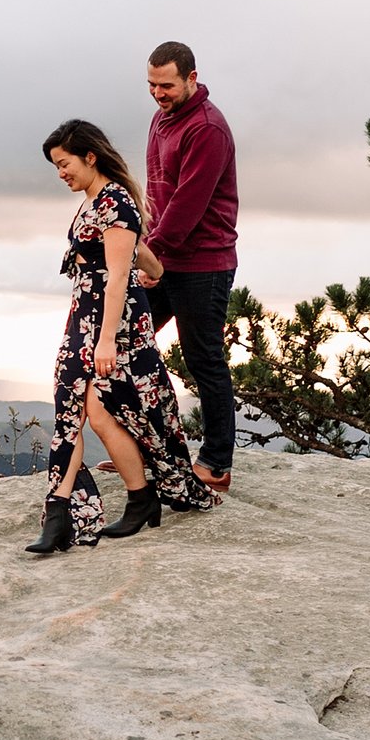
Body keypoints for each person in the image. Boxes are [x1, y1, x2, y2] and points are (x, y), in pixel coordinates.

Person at [26, 119, 223, 556]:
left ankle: (139, 498)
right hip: (84, 321)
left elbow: (117, 277)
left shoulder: (115, 201)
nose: (61, 173)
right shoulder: (94, 201)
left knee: (100, 412)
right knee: (72, 416)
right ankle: (61, 514)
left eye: (64, 163)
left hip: (113, 327)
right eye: (56, 167)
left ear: (89, 156)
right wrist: (155, 272)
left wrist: (107, 342)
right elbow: (134, 254)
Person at [141, 42, 239, 493]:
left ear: (192, 79)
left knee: (204, 361)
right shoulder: (161, 119)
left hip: (203, 263)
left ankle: (216, 466)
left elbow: (187, 205)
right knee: (129, 344)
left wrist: (149, 257)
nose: (159, 93)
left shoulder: (208, 128)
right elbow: (157, 194)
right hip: (163, 255)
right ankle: (146, 452)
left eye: (167, 85)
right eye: (152, 85)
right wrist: (143, 240)